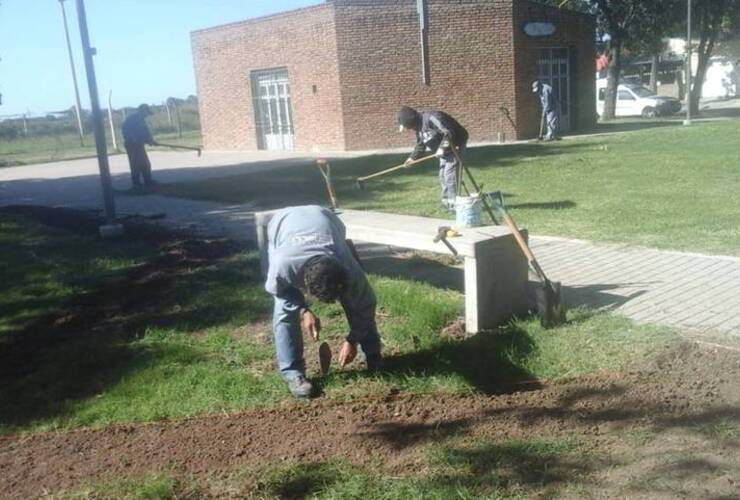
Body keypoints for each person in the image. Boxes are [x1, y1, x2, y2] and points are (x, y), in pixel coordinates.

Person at [265, 205, 383, 399]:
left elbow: (366, 305)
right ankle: (293, 374)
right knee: (284, 311)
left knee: (357, 300)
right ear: (304, 283)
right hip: (281, 223)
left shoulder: (347, 267)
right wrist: (303, 310)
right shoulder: (282, 265)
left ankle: (372, 353)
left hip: (324, 217)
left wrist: (352, 340)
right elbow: (277, 291)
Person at [398, 106, 469, 213]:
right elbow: (421, 144)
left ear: (411, 121)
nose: (409, 129)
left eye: (408, 127)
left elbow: (449, 132)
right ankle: (447, 203)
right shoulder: (419, 128)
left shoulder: (432, 118)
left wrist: (442, 148)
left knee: (450, 176)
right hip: (444, 149)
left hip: (456, 144)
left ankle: (455, 205)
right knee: (442, 176)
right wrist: (412, 158)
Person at [121, 104, 157, 187]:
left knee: (145, 163)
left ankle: (148, 181)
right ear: (142, 111)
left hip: (139, 144)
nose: (147, 115)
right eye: (146, 113)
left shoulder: (141, 119)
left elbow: (145, 131)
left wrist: (150, 140)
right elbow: (125, 128)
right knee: (135, 164)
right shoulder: (133, 118)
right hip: (131, 145)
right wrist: (133, 138)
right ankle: (136, 184)